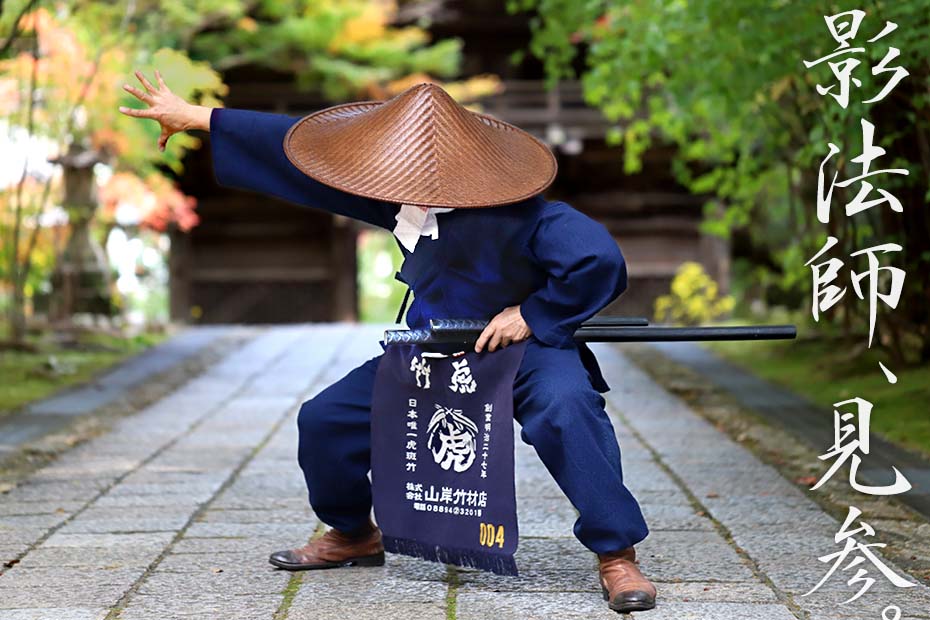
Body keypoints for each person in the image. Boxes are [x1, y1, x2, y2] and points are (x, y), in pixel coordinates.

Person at [119, 69, 658, 614]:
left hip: (526, 350)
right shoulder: (398, 200)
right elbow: (303, 155)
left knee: (568, 407)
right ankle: (354, 533)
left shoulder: (528, 213)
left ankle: (616, 552)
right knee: (326, 419)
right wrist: (201, 118)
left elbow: (599, 261)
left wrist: (535, 312)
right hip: (433, 349)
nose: (404, 175)